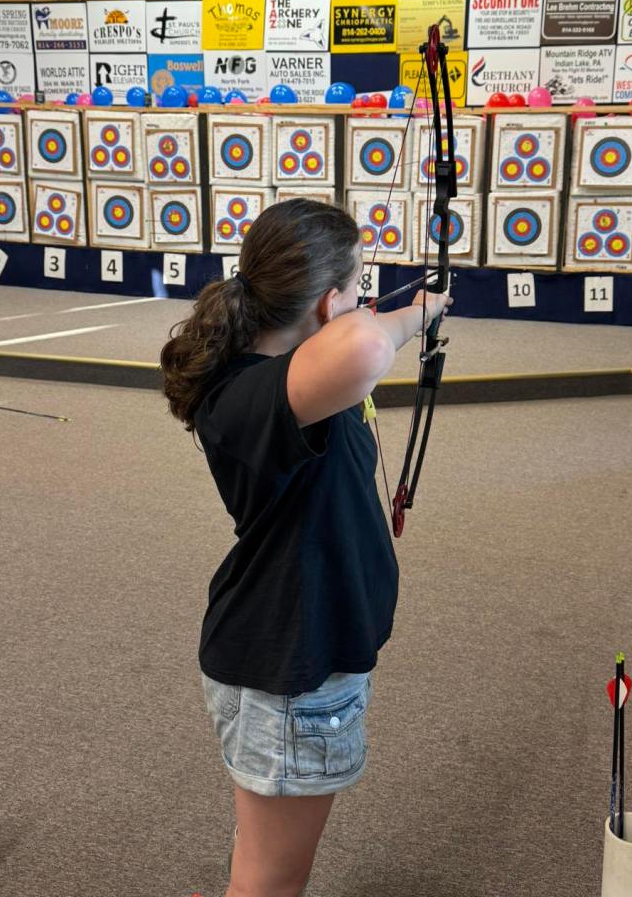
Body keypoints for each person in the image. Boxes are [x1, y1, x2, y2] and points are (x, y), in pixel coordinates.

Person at [160, 198, 451, 897]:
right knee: (271, 881)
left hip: (289, 653)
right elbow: (362, 348)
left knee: (263, 855)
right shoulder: (255, 397)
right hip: (290, 671)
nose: (365, 303)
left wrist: (368, 314)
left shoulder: (295, 384)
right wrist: (422, 313)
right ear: (326, 304)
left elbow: (354, 389)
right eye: (356, 288)